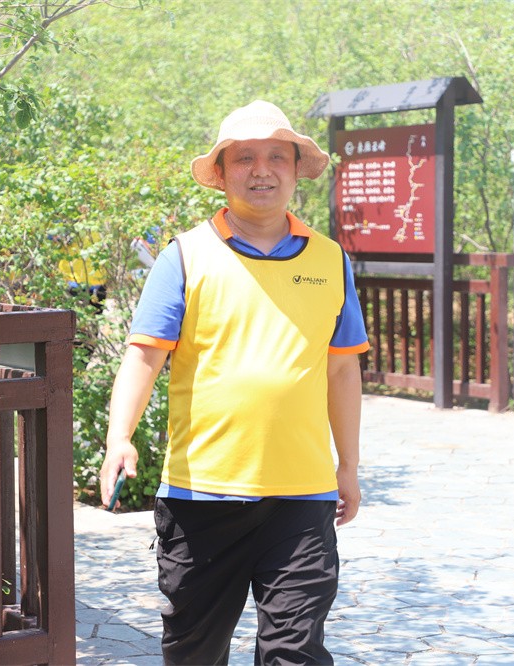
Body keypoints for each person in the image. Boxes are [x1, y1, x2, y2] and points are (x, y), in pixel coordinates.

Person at [100, 100, 370, 665]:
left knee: (294, 652)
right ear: (221, 173)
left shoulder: (329, 260)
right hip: (201, 495)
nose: (261, 170)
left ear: (296, 170)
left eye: (277, 157)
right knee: (195, 653)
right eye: (244, 158)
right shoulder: (185, 256)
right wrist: (119, 438)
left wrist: (347, 465)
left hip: (302, 497)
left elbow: (343, 368)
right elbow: (144, 356)